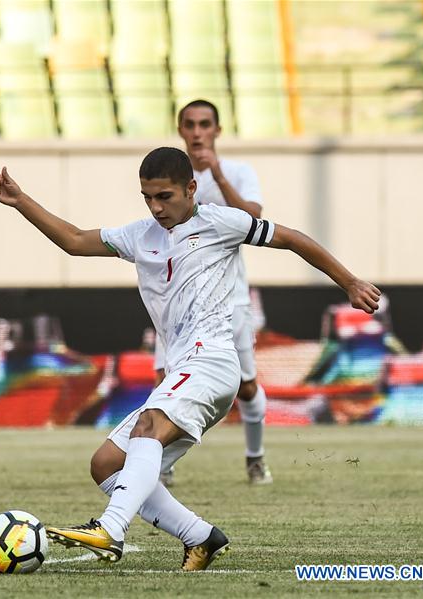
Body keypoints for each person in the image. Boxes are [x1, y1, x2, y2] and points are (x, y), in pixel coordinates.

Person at [0, 148, 380, 570]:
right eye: (147, 198)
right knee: (106, 464)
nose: (156, 207)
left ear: (190, 189)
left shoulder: (221, 222)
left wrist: (350, 282)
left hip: (212, 360)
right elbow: (74, 240)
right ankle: (200, 536)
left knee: (148, 425)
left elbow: (292, 238)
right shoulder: (140, 235)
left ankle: (110, 530)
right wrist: (21, 200)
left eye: (165, 196)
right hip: (184, 368)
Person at [158, 98, 273, 486]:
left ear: (217, 130)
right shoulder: (169, 177)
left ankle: (255, 458)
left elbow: (256, 221)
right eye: (189, 124)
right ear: (180, 129)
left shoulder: (237, 172)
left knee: (247, 384)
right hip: (179, 298)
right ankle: (159, 460)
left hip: (230, 299)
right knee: (166, 376)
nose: (196, 132)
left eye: (204, 124)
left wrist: (217, 174)